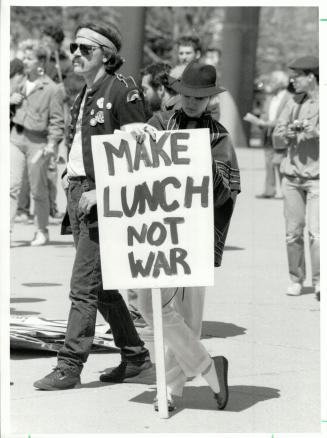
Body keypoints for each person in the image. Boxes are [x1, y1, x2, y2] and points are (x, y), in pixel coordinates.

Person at [34, 21, 151, 390]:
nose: (77, 55)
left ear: (107, 55)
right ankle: (134, 354)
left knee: (82, 286)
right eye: (74, 48)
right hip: (78, 193)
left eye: (86, 49)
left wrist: (102, 191)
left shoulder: (122, 90)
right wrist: (70, 175)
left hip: (102, 197)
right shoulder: (83, 92)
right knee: (100, 289)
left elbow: (140, 150)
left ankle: (69, 365)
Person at [131, 61, 241, 411]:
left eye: (201, 97)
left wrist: (200, 161)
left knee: (189, 316)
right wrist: (137, 140)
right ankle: (210, 368)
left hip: (196, 234)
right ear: (178, 94)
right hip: (158, 233)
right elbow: (129, 166)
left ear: (210, 99)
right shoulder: (159, 124)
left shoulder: (219, 135)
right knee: (148, 304)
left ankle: (170, 392)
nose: (193, 102)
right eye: (188, 95)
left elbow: (228, 189)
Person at [273, 56, 319, 300]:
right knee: (293, 232)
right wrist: (286, 133)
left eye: (298, 75)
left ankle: (320, 280)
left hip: (318, 178)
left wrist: (317, 132)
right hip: (291, 177)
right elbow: (276, 137)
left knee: (317, 233)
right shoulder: (292, 102)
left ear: (311, 76)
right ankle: (295, 279)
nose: (293, 79)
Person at [10, 39, 65, 245]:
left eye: (29, 58)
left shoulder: (52, 88)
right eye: (23, 57)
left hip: (38, 143)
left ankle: (42, 230)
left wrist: (51, 145)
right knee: (11, 187)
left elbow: (57, 121)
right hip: (15, 138)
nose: (24, 61)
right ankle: (5, 230)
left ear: (41, 61)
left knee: (37, 189)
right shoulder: (16, 82)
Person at [244, 70, 292, 198]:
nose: (270, 83)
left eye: (273, 81)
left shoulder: (289, 98)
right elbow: (265, 115)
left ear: (281, 83)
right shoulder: (270, 98)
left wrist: (266, 123)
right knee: (269, 163)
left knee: (281, 163)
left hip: (281, 135)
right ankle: (269, 191)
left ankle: (286, 192)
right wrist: (259, 121)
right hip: (268, 135)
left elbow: (284, 118)